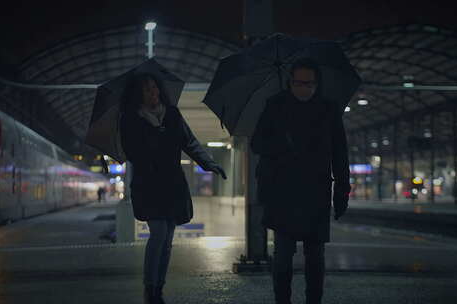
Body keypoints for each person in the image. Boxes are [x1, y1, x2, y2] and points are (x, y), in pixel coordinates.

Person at [119, 73, 226, 304]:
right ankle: (150, 289)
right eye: (147, 90)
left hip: (172, 184)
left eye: (155, 88)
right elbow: (131, 151)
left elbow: (189, 142)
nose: (153, 93)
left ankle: (159, 287)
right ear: (139, 95)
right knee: (158, 233)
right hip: (148, 185)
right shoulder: (130, 120)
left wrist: (209, 163)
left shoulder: (173, 115)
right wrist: (153, 137)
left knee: (168, 237)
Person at [250, 58, 351, 304]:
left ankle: (313, 301)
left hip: (315, 190)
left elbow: (340, 152)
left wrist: (342, 190)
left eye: (308, 83)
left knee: (315, 255)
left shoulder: (329, 109)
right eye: (298, 82)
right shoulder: (275, 106)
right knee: (283, 254)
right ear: (289, 82)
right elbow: (257, 143)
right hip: (282, 190)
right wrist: (282, 144)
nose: (303, 87)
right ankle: (282, 300)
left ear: (317, 84)